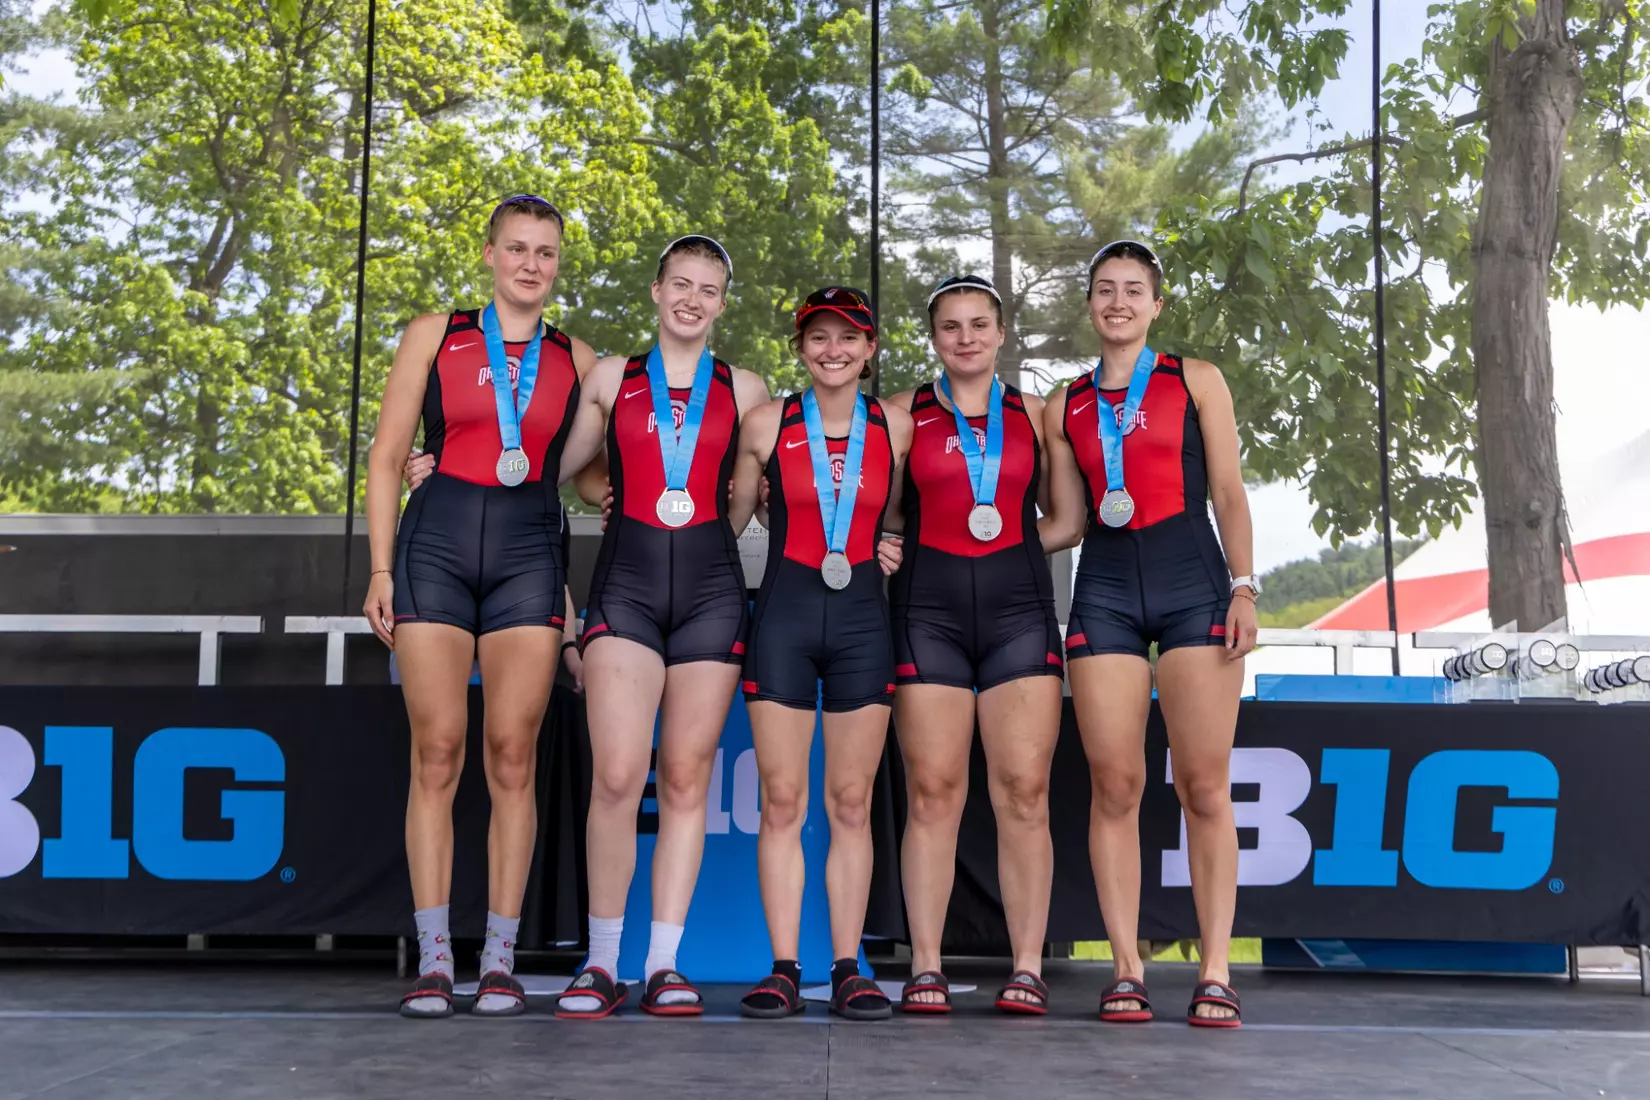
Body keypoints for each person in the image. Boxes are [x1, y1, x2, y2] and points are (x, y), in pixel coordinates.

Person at [363, 194, 607, 1019]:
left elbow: (593, 471)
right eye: (517, 248)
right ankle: (437, 958)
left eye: (546, 251)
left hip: (528, 561)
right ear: (490, 254)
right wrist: (381, 569)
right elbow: (388, 456)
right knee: (437, 750)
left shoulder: (579, 358)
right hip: (432, 551)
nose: (530, 264)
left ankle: (498, 961)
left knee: (512, 755)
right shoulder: (435, 333)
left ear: (558, 263)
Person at [1040, 239, 1258, 1027]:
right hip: (1103, 593)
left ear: (1155, 305)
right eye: (1105, 289)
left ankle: (1215, 970)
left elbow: (1228, 491)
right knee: (1116, 784)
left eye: (1134, 289)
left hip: (1193, 585)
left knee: (1203, 785)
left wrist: (1244, 586)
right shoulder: (1062, 404)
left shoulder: (1195, 379)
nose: (1119, 301)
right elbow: (1065, 522)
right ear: (1091, 305)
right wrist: (951, 543)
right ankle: (1126, 968)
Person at [558, 235, 771, 1018]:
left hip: (713, 592)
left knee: (685, 781)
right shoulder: (611, 378)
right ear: (655, 290)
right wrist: (596, 490)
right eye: (680, 284)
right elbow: (561, 466)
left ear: (722, 301)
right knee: (617, 776)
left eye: (708, 289)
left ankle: (663, 964)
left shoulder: (746, 388)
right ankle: (602, 962)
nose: (692, 299)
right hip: (627, 590)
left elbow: (757, 493)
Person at [877, 275, 1066, 1016]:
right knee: (933, 794)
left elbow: (1068, 517)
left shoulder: (1036, 414)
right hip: (929, 616)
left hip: (1019, 614)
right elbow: (877, 514)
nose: (965, 337)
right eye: (951, 326)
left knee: (1024, 794)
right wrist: (888, 545)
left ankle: (1026, 966)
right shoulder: (899, 415)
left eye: (979, 324)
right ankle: (925, 963)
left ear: (1001, 332)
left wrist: (1003, 551)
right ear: (934, 337)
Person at [727, 286, 912, 1022]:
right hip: (784, 618)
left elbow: (910, 509)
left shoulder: (896, 426)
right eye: (818, 337)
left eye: (848, 338)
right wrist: (604, 491)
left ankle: (847, 967)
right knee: (782, 801)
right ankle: (782, 968)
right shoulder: (765, 421)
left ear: (870, 350)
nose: (832, 350)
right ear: (800, 346)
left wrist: (891, 539)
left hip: (865, 621)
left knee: (850, 803)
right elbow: (721, 517)